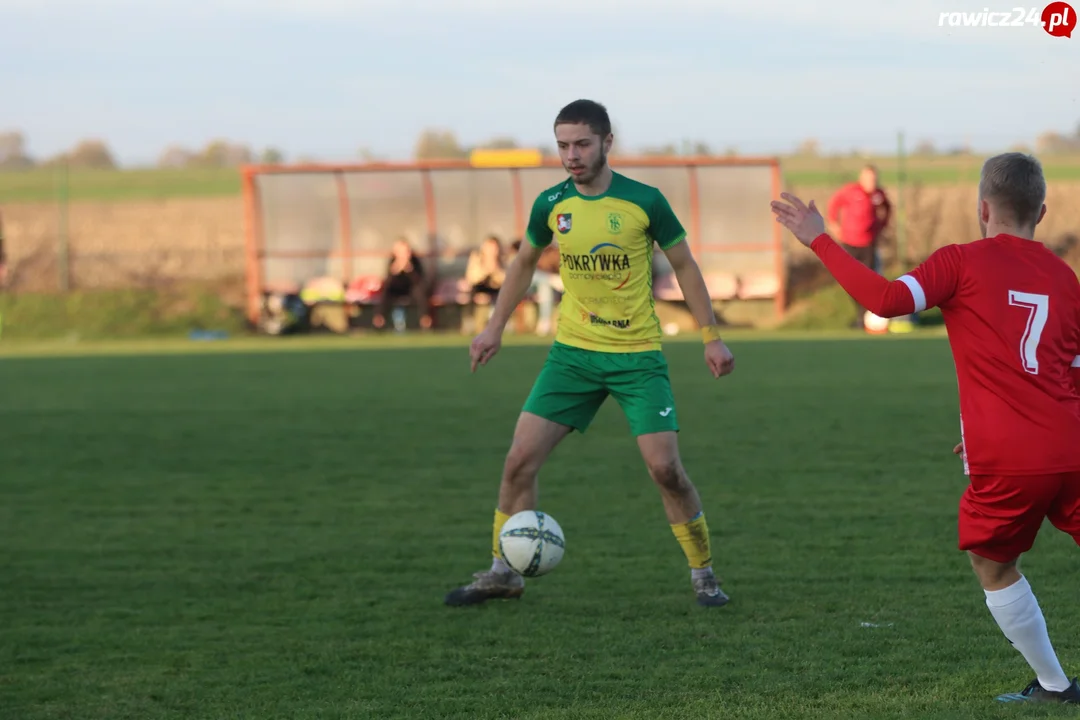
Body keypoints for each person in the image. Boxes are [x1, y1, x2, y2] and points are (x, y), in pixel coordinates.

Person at [770, 152, 1080, 704]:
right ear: (1043, 210)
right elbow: (1070, 370)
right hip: (1072, 442)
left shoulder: (960, 261)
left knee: (992, 561)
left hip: (1009, 456)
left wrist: (819, 238)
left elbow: (886, 301)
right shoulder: (1064, 275)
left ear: (982, 208)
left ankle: (1055, 686)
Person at [443, 99, 736, 609]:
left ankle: (703, 573)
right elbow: (522, 265)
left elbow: (686, 266)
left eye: (581, 144)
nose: (571, 156)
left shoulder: (644, 201)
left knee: (665, 470)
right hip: (572, 356)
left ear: (606, 143)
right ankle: (502, 572)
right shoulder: (551, 203)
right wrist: (494, 328)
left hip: (637, 356)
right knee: (518, 463)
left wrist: (710, 336)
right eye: (562, 146)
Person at [825, 165, 892, 328]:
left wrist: (882, 225)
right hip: (849, 243)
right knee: (851, 282)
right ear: (861, 178)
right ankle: (861, 316)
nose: (871, 182)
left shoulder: (878, 195)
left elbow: (887, 209)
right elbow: (833, 204)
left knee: (868, 282)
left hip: (869, 244)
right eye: (868, 178)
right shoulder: (850, 191)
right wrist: (834, 225)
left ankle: (865, 319)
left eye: (874, 179)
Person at [373, 237, 432, 330]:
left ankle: (425, 320)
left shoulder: (415, 261)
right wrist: (395, 271)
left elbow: (420, 281)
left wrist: (410, 270)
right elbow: (388, 282)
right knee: (386, 292)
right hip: (396, 290)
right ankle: (379, 319)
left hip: (411, 290)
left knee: (420, 292)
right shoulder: (392, 261)